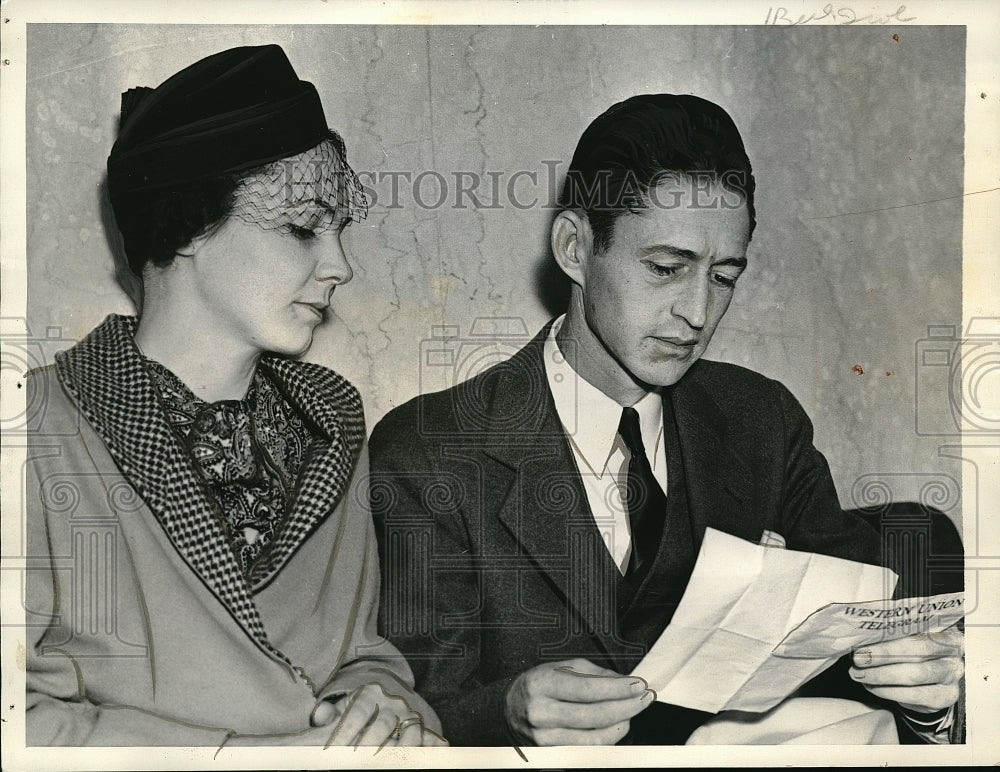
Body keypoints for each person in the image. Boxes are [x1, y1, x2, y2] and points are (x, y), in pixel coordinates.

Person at [368, 94, 964, 746]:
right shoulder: (429, 451)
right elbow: (413, 718)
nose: (698, 312)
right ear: (574, 247)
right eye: (665, 269)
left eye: (725, 276)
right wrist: (507, 710)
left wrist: (928, 702)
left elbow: (870, 635)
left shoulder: (761, 422)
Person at [25, 44, 443, 747]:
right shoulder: (33, 428)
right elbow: (18, 720)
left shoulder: (330, 425)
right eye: (302, 228)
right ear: (189, 222)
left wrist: (380, 712)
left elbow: (364, 656)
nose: (340, 265)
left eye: (340, 232)